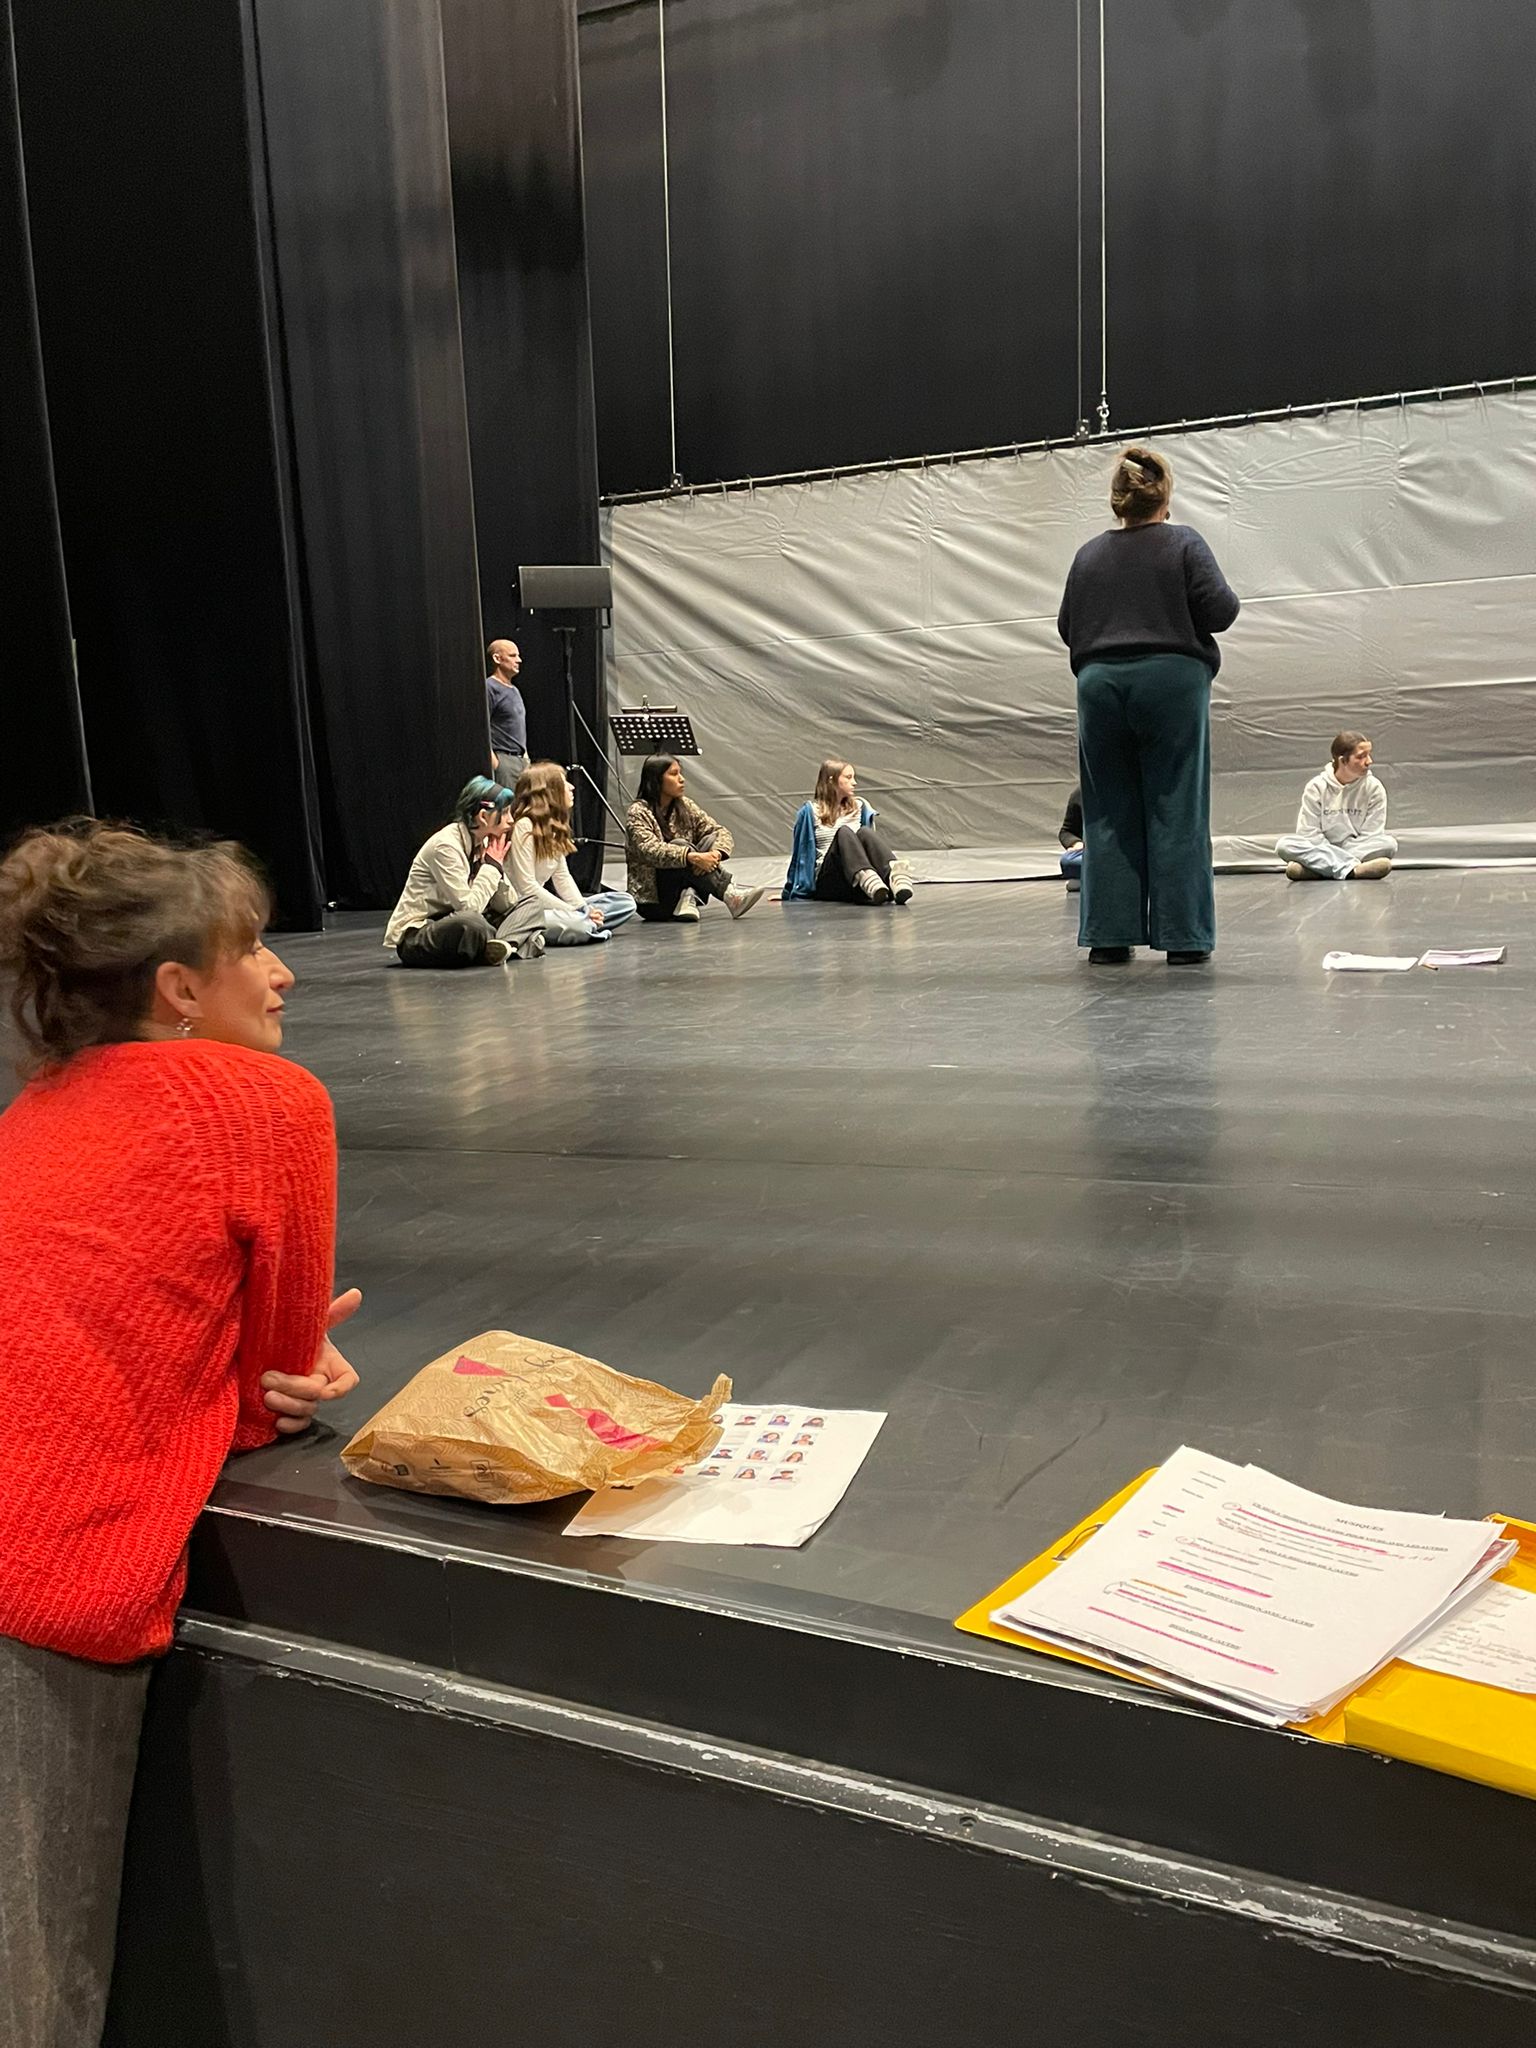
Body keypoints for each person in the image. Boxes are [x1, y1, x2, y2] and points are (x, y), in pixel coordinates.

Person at [0, 820, 359, 2048]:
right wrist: (282, 1372)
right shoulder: (270, 1100)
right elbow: (269, 1392)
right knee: (33, 1999)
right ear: (177, 989)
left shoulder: (36, 1105)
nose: (283, 971)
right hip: (43, 1577)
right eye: (251, 948)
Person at [1058, 445, 1240, 966]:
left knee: (1106, 813)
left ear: (1118, 502)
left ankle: (1109, 937)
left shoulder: (1088, 555)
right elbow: (1221, 611)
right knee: (1176, 807)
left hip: (1099, 685)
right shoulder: (1183, 543)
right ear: (1165, 500)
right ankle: (1183, 938)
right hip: (1170, 682)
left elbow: (1067, 627)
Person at [384, 776, 545, 967]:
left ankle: (501, 946)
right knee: (472, 922)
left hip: (466, 923)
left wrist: (497, 869)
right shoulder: (446, 846)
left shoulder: (484, 841)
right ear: (483, 817)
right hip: (423, 933)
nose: (511, 820)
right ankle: (515, 943)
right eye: (504, 812)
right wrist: (491, 867)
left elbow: (507, 904)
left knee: (531, 903)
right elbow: (468, 908)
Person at [508, 761, 637, 944]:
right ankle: (584, 925)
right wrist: (575, 912)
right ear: (549, 792)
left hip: (550, 908)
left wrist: (582, 908)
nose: (572, 787)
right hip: (523, 911)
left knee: (625, 902)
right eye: (564, 783)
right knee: (579, 924)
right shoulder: (524, 827)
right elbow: (527, 888)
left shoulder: (553, 828)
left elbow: (562, 877)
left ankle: (587, 923)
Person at [625, 755, 765, 922]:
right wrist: (691, 857)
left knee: (711, 839)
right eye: (674, 774)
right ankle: (729, 893)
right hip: (654, 901)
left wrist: (715, 854)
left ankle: (688, 897)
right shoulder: (638, 812)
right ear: (656, 780)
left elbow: (719, 831)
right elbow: (649, 850)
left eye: (680, 773)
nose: (682, 779)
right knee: (680, 845)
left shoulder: (684, 805)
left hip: (680, 883)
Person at [783, 760, 915, 905]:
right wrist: (788, 892)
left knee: (865, 832)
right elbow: (799, 854)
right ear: (831, 780)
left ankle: (895, 878)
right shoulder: (811, 812)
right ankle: (868, 879)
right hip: (828, 882)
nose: (854, 783)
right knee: (844, 832)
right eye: (848, 777)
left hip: (853, 880)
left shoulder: (859, 807)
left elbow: (868, 849)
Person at [1275, 733, 1397, 881]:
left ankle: (1319, 869)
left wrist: (1327, 857)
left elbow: (1372, 834)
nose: (1369, 761)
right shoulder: (1316, 787)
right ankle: (1352, 870)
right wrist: (1329, 851)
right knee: (1284, 845)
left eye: (1368, 755)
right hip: (1320, 847)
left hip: (1354, 847)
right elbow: (1309, 833)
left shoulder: (1374, 788)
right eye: (1361, 757)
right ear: (1342, 760)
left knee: (1389, 844)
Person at [486, 638, 529, 785]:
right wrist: (496, 763)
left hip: (521, 761)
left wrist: (525, 757)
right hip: (504, 761)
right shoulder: (490, 687)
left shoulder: (514, 690)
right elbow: (479, 728)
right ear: (497, 658)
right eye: (512, 656)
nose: (519, 660)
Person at [1059, 784, 1084, 893]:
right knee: (1068, 860)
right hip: (1094, 854)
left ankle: (1087, 878)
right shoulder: (1081, 792)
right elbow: (1066, 832)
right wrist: (1076, 843)